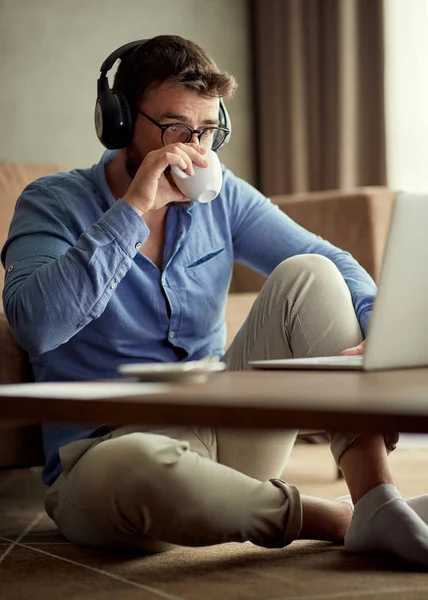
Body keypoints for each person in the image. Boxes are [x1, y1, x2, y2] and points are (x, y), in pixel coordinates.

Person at [2, 34, 428, 565]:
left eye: (207, 130)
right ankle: (332, 517)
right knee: (136, 463)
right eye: (176, 128)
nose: (194, 148)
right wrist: (133, 210)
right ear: (118, 121)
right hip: (105, 454)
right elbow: (36, 326)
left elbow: (336, 263)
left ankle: (376, 501)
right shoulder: (52, 203)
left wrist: (378, 334)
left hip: (226, 432)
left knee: (310, 274)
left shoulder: (223, 197)